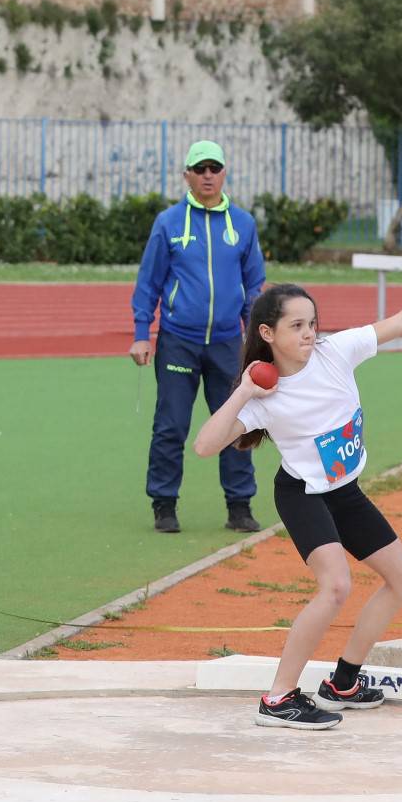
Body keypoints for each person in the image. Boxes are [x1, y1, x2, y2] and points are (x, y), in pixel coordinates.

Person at [193, 263, 402, 730]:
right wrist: (243, 393)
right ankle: (278, 699)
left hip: (345, 492)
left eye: (312, 323)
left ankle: (343, 682)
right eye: (296, 326)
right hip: (302, 495)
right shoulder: (263, 396)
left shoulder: (336, 351)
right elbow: (204, 445)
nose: (309, 333)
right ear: (267, 333)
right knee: (335, 586)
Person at [130, 139, 267, 534]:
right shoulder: (169, 223)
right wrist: (142, 333)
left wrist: (255, 339)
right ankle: (164, 503)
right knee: (171, 425)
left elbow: (254, 285)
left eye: (215, 168)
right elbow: (149, 283)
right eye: (200, 168)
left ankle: (239, 506)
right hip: (178, 340)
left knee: (237, 424)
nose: (208, 175)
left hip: (227, 343)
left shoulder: (242, 224)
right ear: (186, 175)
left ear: (224, 173)